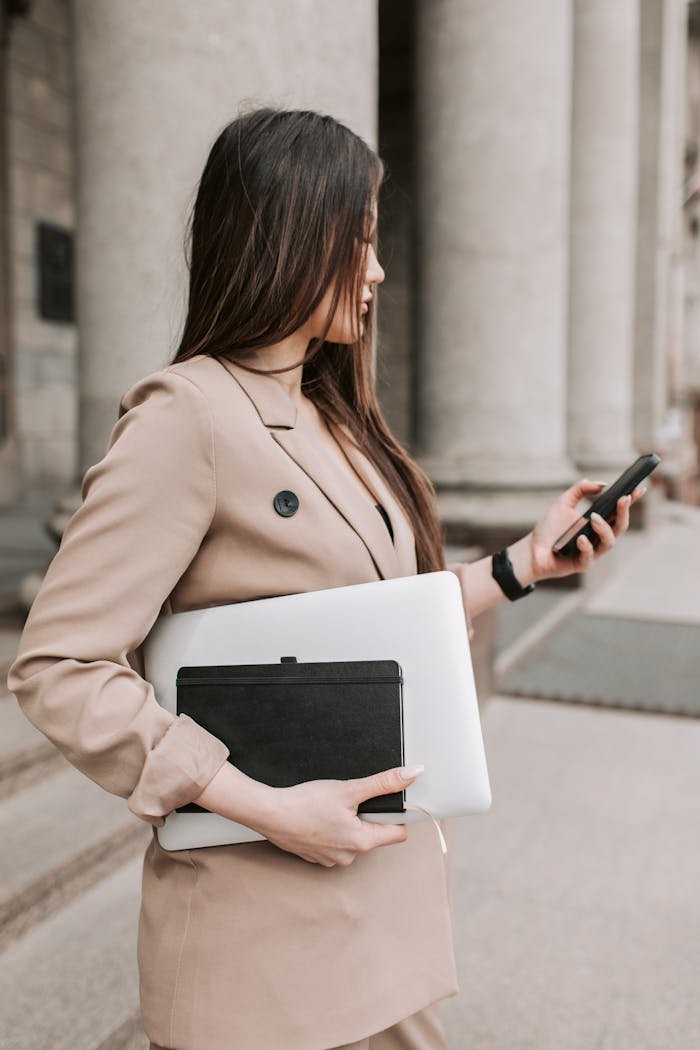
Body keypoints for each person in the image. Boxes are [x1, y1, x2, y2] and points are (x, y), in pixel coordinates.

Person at [7, 107, 645, 1050]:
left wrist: (520, 566)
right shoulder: (186, 416)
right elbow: (58, 665)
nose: (378, 273)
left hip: (370, 910)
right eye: (360, 245)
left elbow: (378, 621)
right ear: (285, 239)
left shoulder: (336, 418)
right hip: (261, 936)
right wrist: (265, 806)